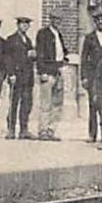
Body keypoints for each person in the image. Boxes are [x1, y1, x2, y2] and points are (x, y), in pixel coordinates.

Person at [79, 8, 102, 144]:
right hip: (93, 76)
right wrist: (83, 77)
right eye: (98, 20)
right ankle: (92, 134)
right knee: (93, 105)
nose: (100, 22)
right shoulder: (89, 38)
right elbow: (83, 58)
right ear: (95, 22)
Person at [33, 13, 69, 141]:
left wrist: (65, 59)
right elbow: (40, 54)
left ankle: (51, 130)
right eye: (55, 19)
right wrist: (42, 71)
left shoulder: (58, 34)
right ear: (51, 20)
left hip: (58, 71)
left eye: (59, 19)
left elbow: (62, 51)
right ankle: (42, 130)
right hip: (48, 72)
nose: (57, 21)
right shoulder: (43, 34)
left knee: (57, 103)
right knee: (46, 103)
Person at [1, 16, 37, 139]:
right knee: (14, 103)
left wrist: (33, 55)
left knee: (26, 104)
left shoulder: (28, 40)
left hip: (27, 77)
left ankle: (24, 130)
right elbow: (7, 58)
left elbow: (30, 58)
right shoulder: (11, 40)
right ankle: (11, 130)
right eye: (22, 24)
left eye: (27, 24)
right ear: (18, 25)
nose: (25, 26)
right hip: (16, 76)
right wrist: (11, 74)